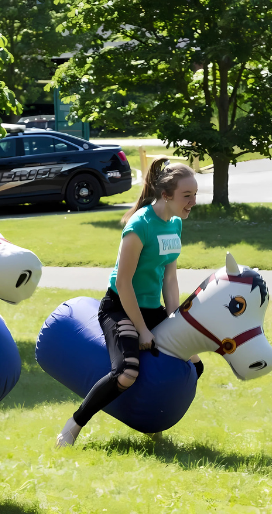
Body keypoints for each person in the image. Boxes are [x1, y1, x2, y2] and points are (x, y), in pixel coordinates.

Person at [55, 159, 204, 448]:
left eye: (195, 194)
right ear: (166, 195)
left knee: (195, 364)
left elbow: (169, 278)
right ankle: (73, 426)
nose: (193, 202)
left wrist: (174, 320)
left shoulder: (174, 225)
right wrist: (142, 330)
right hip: (119, 307)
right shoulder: (140, 227)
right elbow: (123, 283)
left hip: (151, 310)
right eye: (187, 196)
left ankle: (153, 420)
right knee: (127, 372)